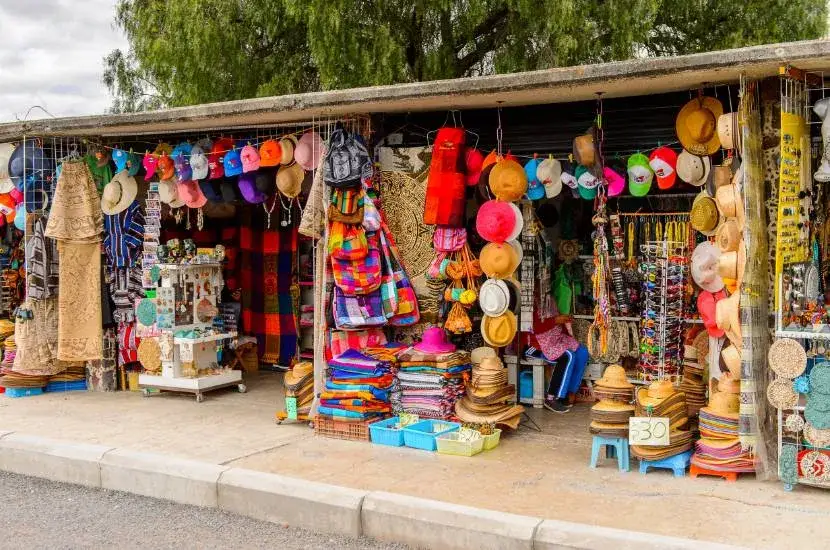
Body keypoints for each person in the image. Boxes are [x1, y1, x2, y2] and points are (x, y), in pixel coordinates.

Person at [524, 315, 589, 413]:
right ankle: (551, 398)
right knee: (568, 356)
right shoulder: (531, 304)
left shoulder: (552, 301)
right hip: (534, 343)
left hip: (553, 339)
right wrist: (555, 320)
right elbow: (532, 325)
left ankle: (569, 392)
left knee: (582, 352)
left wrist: (565, 321)